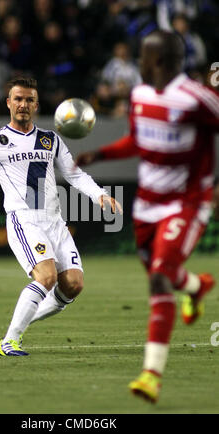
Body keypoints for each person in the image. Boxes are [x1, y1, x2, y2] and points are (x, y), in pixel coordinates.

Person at [75, 30, 219, 403]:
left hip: (186, 203)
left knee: (158, 279)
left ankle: (151, 375)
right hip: (146, 205)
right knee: (165, 275)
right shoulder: (140, 94)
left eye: (143, 56)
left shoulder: (197, 99)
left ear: (160, 61)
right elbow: (139, 140)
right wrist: (100, 155)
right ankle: (197, 286)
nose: (138, 62)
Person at [0, 76, 122, 357]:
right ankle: (9, 341)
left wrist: (99, 195)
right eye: (18, 99)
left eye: (29, 100)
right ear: (8, 103)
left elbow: (74, 174)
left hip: (54, 220)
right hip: (24, 220)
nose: (23, 104)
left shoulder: (50, 140)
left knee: (73, 285)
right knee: (45, 277)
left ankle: (22, 319)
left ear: (36, 105)